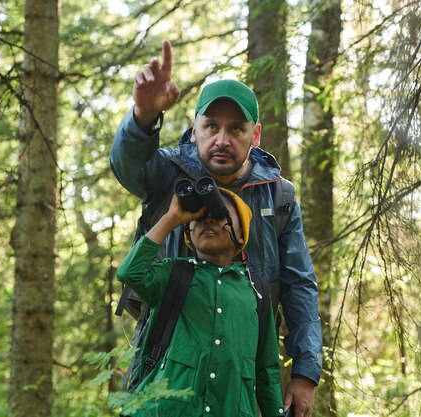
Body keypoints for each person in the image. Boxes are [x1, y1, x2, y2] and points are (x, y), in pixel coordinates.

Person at [110, 39, 322, 417]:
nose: (222, 139)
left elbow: (299, 284)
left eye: (236, 129)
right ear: (195, 130)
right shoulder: (168, 175)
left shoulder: (279, 197)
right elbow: (129, 167)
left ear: (254, 135)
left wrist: (305, 371)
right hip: (166, 358)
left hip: (242, 367)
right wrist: (142, 118)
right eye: (211, 126)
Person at [116, 190, 285, 417]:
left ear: (242, 234)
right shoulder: (173, 274)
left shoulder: (257, 291)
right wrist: (171, 219)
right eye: (199, 218)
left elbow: (267, 373)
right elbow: (130, 273)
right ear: (188, 233)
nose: (208, 220)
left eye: (220, 215)